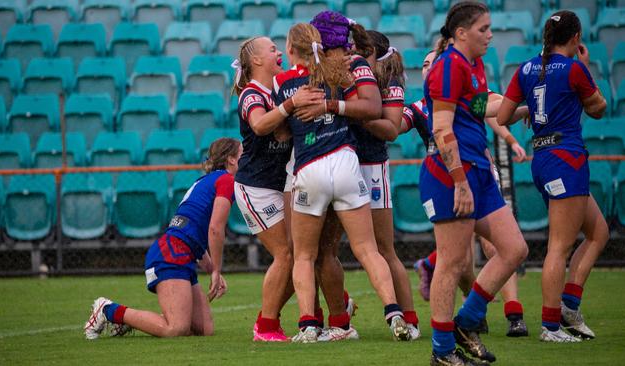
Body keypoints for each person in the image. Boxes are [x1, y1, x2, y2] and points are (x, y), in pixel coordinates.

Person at [275, 22, 409, 343]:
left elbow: (280, 132)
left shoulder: (284, 81)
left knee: (306, 255)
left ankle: (308, 325)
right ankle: (394, 313)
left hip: (310, 169)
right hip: (347, 163)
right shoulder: (340, 73)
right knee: (368, 249)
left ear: (293, 50)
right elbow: (367, 107)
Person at [422, 2, 528, 364]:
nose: (491, 34)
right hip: (453, 176)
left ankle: (465, 323)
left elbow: (483, 107)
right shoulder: (448, 66)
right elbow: (440, 128)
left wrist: (524, 107)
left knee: (514, 250)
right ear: (461, 33)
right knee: (452, 263)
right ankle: (442, 351)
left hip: (477, 172)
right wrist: (460, 183)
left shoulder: (473, 64)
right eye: (483, 28)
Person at [497, 10, 608, 343]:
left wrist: (531, 108)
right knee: (559, 247)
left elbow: (502, 116)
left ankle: (569, 307)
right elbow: (599, 108)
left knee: (598, 232)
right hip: (567, 158)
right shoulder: (575, 68)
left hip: (543, 158)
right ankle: (551, 325)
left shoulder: (527, 68)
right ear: (575, 39)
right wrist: (586, 69)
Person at [84, 138, 242, 339]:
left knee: (204, 330)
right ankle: (108, 310)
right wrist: (217, 270)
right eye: (242, 154)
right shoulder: (227, 180)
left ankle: (134, 320)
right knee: (176, 329)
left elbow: (192, 231)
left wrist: (211, 269)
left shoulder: (207, 180)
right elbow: (215, 229)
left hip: (178, 251)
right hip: (172, 253)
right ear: (231, 160)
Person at [231, 36, 323, 342]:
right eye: (272, 49)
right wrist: (291, 105)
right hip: (254, 186)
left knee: (297, 254)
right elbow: (259, 125)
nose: (278, 52)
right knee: (285, 254)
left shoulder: (276, 90)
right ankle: (266, 326)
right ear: (256, 60)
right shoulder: (251, 94)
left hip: (275, 183)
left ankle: (275, 316)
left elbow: (283, 132)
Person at [353, 29, 421, 340]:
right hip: (342, 164)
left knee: (384, 248)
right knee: (323, 249)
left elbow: (392, 129)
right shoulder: (348, 73)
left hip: (371, 165)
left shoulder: (388, 83)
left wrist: (357, 115)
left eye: (357, 49)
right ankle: (336, 320)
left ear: (372, 53)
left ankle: (410, 318)